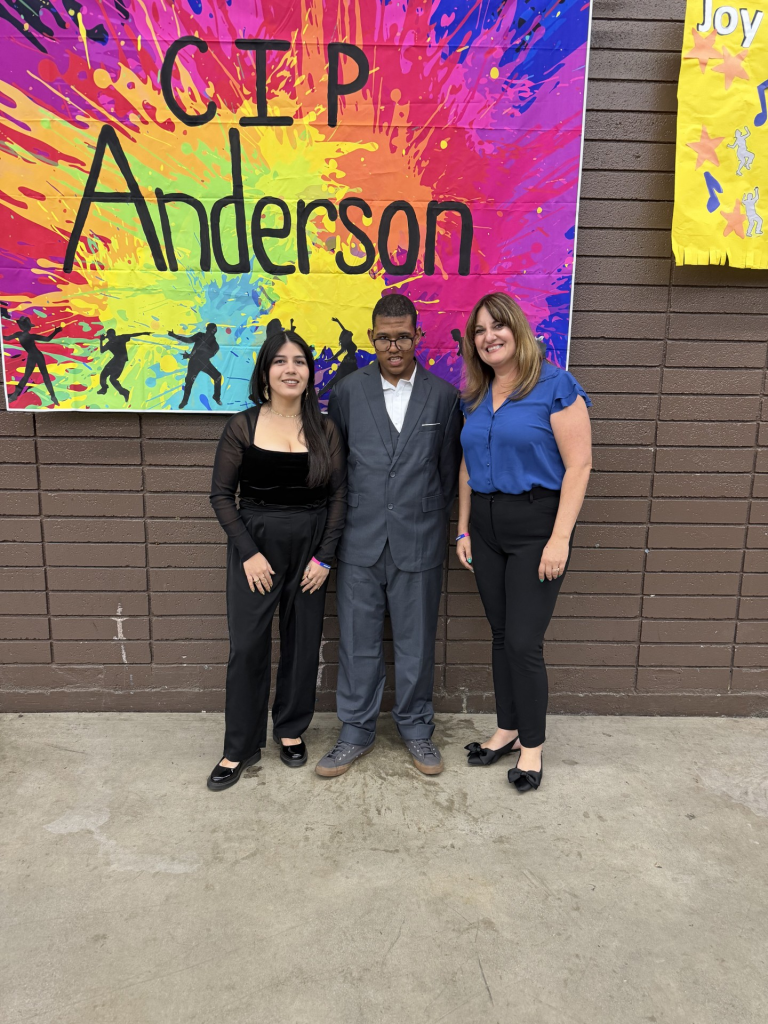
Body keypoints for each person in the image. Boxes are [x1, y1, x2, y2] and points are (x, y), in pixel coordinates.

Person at [316, 292, 462, 778]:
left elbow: (446, 474)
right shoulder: (346, 393)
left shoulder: (444, 397)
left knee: (416, 642)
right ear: (371, 339)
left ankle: (416, 727)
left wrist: (426, 520)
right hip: (359, 539)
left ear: (418, 336)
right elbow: (337, 470)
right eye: (384, 338)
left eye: (402, 337)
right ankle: (355, 731)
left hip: (418, 539)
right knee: (357, 641)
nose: (393, 347)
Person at [456, 293, 592, 794]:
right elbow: (467, 465)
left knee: (522, 642)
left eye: (497, 326)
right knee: (500, 635)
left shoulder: (555, 386)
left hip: (537, 525)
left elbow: (579, 465)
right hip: (486, 526)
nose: (488, 336)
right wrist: (463, 528)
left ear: (517, 329)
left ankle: (531, 745)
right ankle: (507, 728)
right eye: (479, 330)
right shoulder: (475, 396)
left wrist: (560, 540)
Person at [207, 329, 347, 790]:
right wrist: (248, 553)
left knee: (302, 642)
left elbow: (339, 497)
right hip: (256, 546)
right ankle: (239, 747)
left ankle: (290, 728)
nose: (291, 369)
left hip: (310, 548)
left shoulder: (325, 429)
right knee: (248, 646)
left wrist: (324, 558)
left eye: (300, 361)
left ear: (310, 372)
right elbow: (222, 496)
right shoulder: (243, 426)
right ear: (265, 372)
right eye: (280, 361)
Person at [5, 314, 62, 405]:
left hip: (37, 355)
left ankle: (53, 396)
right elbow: (6, 338)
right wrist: (56, 331)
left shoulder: (21, 335)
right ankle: (15, 395)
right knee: (33, 375)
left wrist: (56, 331)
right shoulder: (21, 335)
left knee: (43, 375)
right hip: (33, 356)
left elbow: (47, 339)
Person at [168, 322, 223, 409]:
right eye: (210, 330)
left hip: (204, 363)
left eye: (212, 330)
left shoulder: (215, 345)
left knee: (218, 376)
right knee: (189, 381)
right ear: (207, 329)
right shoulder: (200, 335)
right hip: (194, 362)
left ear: (214, 331)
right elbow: (188, 340)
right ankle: (184, 401)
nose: (210, 332)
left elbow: (209, 354)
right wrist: (174, 335)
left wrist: (195, 353)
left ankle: (216, 397)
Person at [96, 328, 150, 401]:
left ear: (112, 335)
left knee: (112, 378)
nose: (109, 338)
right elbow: (102, 350)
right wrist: (101, 340)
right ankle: (104, 389)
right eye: (109, 337)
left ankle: (124, 392)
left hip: (120, 361)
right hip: (116, 360)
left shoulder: (120, 338)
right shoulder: (109, 343)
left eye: (110, 336)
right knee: (104, 374)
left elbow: (132, 335)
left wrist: (144, 333)